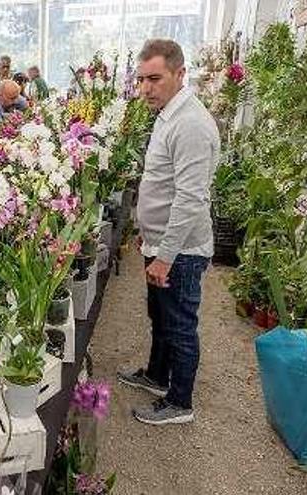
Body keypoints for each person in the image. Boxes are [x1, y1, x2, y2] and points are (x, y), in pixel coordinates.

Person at [117, 39, 219, 425]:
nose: (145, 87)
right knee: (159, 317)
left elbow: (190, 199)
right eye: (141, 79)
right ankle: (158, 377)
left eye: (155, 78)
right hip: (161, 242)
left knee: (179, 325)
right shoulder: (169, 114)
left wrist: (165, 255)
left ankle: (180, 402)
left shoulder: (191, 124)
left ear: (180, 74)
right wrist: (149, 232)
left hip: (181, 251)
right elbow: (162, 182)